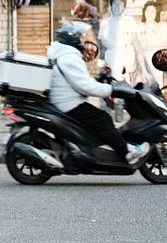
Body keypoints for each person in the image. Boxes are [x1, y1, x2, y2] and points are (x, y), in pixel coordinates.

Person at [47, 22, 149, 165]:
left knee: (99, 119)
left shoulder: (63, 55)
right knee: (103, 119)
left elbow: (77, 81)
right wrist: (111, 90)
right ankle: (128, 153)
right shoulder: (69, 57)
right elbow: (85, 86)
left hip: (66, 101)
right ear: (71, 39)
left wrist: (97, 80)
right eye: (78, 37)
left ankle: (112, 148)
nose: (81, 40)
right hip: (70, 104)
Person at [98, 0, 137, 82]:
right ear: (111, 6)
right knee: (114, 87)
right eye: (115, 4)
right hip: (111, 60)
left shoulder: (130, 21)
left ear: (124, 7)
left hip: (129, 61)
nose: (117, 6)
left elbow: (135, 41)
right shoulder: (105, 22)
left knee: (129, 89)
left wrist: (134, 66)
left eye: (120, 4)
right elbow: (102, 42)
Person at [133, 1, 167, 87]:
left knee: (159, 85)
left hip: (158, 59)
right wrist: (143, 70)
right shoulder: (139, 27)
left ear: (156, 13)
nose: (150, 14)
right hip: (143, 60)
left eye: (153, 11)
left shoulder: (162, 26)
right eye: (147, 11)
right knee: (145, 86)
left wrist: (150, 46)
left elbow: (166, 43)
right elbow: (139, 50)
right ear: (144, 12)